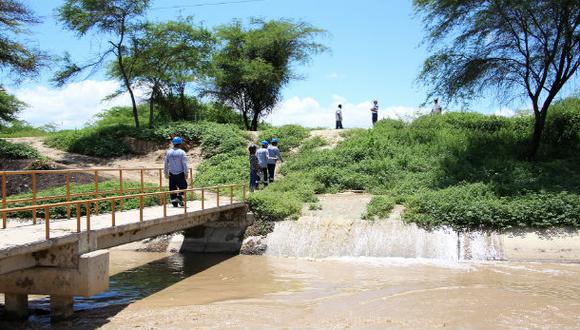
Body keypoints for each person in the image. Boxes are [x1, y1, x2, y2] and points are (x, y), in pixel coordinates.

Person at [164, 136, 188, 207]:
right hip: (180, 173)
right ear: (180, 143)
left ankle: (174, 203)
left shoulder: (169, 152)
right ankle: (179, 197)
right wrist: (186, 173)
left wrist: (166, 172)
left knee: (172, 188)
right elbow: (184, 164)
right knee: (184, 186)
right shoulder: (182, 152)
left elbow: (166, 163)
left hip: (171, 174)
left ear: (173, 143)